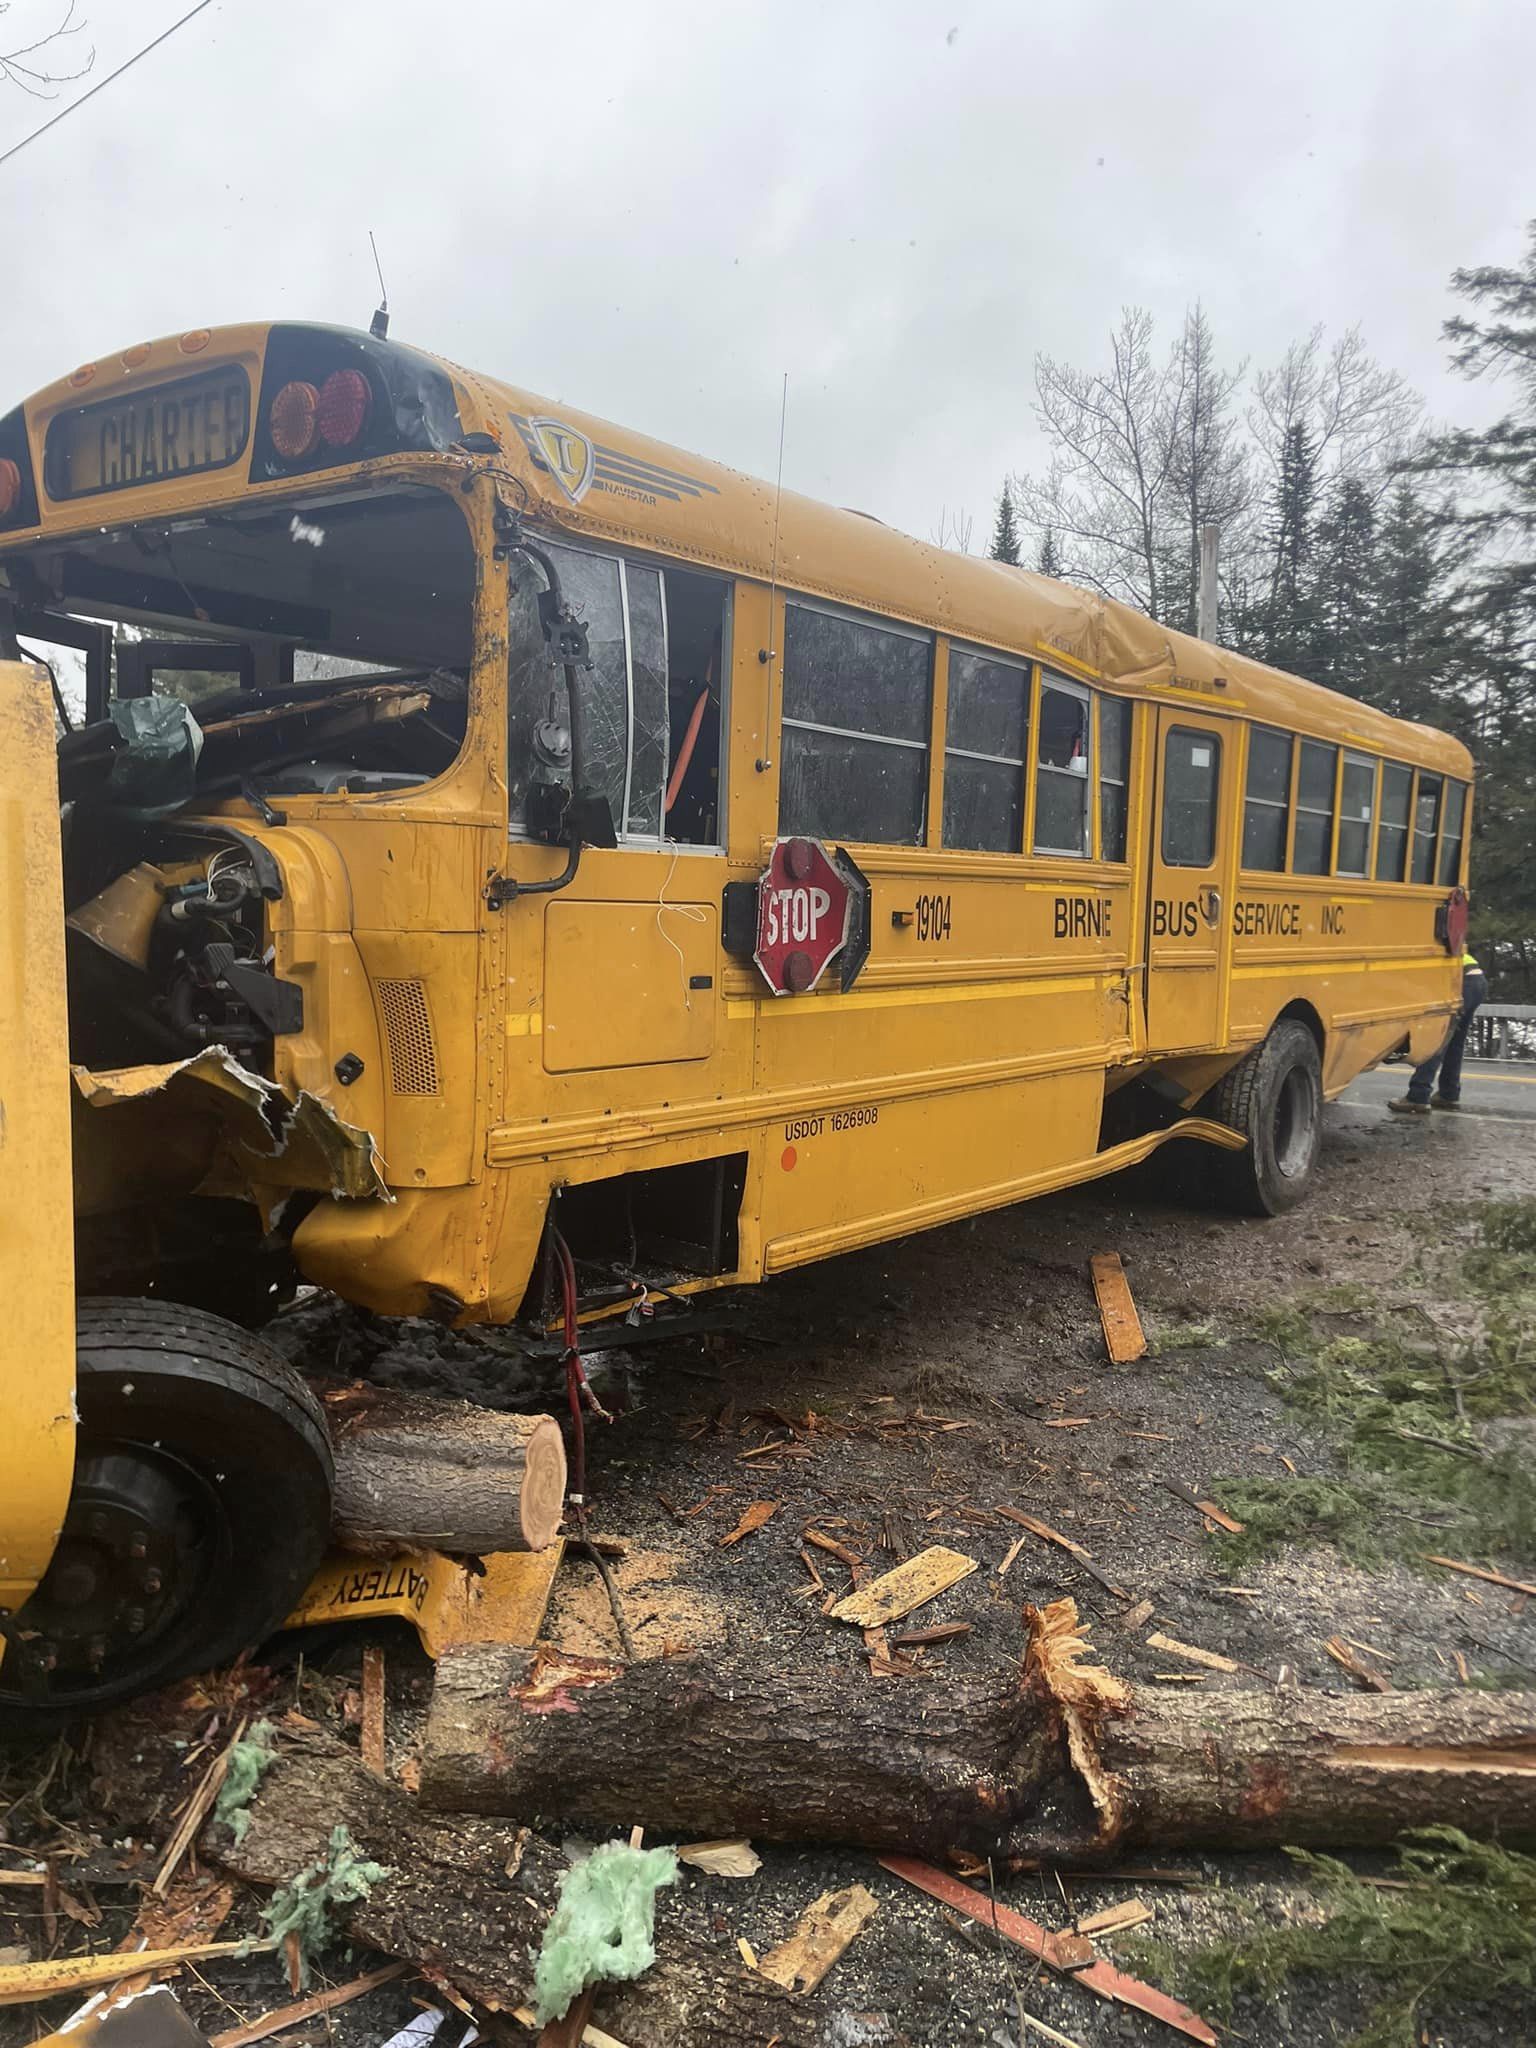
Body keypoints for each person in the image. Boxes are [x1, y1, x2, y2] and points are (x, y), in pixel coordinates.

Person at [1391, 951, 1487, 1114]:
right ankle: (1448, 1094)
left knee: (1436, 1039)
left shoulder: (1410, 949)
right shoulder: (1430, 938)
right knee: (1455, 1042)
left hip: (1459, 982)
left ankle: (1418, 1096)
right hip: (1477, 981)